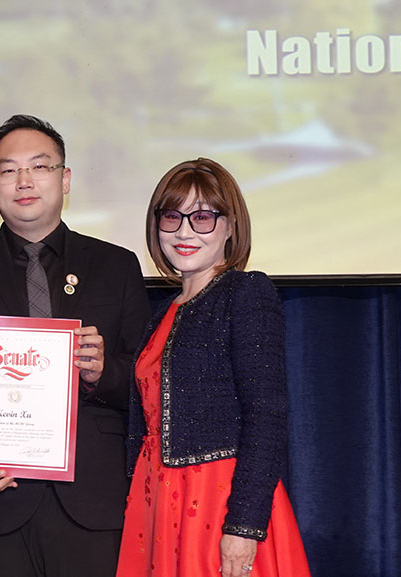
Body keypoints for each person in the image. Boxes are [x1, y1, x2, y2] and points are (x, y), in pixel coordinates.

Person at [0, 114, 151, 577]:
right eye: (8, 170)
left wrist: (104, 372)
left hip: (92, 496)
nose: (24, 181)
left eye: (39, 167)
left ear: (65, 179)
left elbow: (145, 379)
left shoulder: (115, 265)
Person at [116, 158, 311, 577]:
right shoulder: (163, 313)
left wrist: (244, 526)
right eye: (172, 216)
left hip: (219, 505)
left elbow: (266, 415)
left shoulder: (245, 292)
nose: (184, 232)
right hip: (156, 501)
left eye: (202, 217)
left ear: (230, 226)